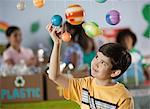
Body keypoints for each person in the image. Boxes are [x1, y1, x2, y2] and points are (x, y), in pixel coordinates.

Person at [46, 23, 134, 109]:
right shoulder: (84, 85)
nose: (95, 63)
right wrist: (57, 44)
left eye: (103, 62)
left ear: (114, 72)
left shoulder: (123, 97)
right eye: (96, 57)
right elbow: (55, 76)